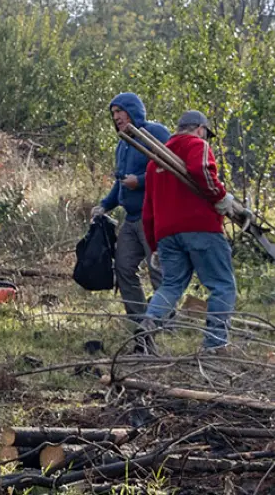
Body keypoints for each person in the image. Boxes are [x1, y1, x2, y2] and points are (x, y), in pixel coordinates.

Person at [140, 110, 243, 354]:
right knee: (222, 285)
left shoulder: (156, 159)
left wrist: (154, 245)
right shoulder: (197, 144)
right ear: (200, 129)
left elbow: (148, 210)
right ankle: (215, 344)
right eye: (206, 134)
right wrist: (220, 197)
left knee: (171, 285)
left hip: (167, 234)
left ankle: (148, 324)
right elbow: (202, 170)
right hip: (201, 228)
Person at [90, 93, 170, 320]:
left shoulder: (155, 133)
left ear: (133, 110)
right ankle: (139, 319)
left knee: (158, 271)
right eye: (113, 113)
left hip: (153, 217)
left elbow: (169, 168)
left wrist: (141, 181)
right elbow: (120, 183)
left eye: (120, 111)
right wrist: (104, 205)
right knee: (123, 268)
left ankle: (165, 321)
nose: (116, 117)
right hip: (132, 218)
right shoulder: (122, 143)